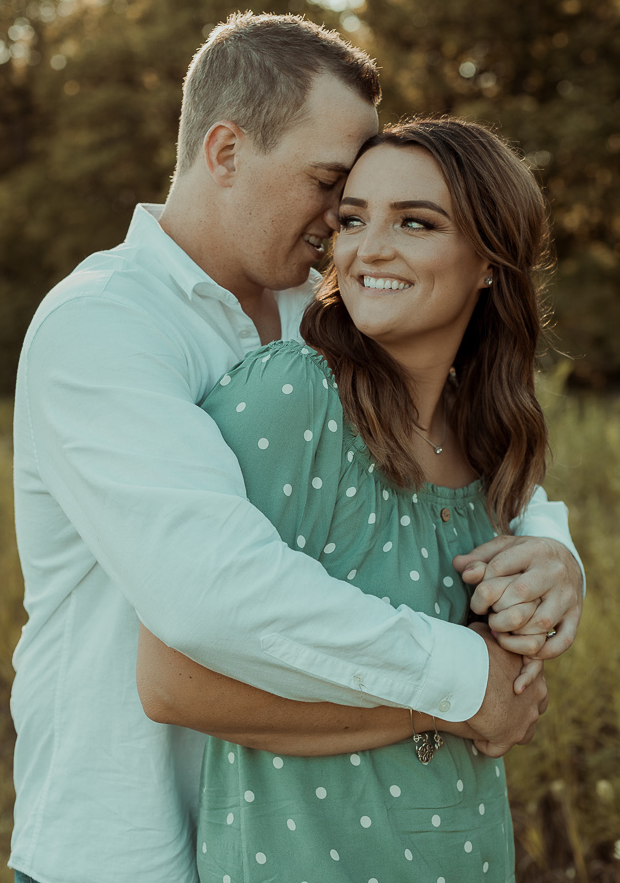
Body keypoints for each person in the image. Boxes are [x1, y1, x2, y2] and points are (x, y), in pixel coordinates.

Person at [9, 13, 583, 883]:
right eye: (329, 187)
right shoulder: (104, 324)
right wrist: (467, 683)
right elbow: (210, 593)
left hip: (297, 832)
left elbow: (451, 444)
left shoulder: (313, 316)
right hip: (124, 837)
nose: (340, 229)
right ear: (227, 151)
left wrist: (550, 544)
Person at [138, 117, 553, 881]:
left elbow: (509, 686)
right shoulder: (291, 398)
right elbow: (175, 684)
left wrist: (557, 568)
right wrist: (446, 701)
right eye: (353, 219)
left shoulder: (489, 431)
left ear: (489, 263)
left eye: (416, 223)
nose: (368, 249)